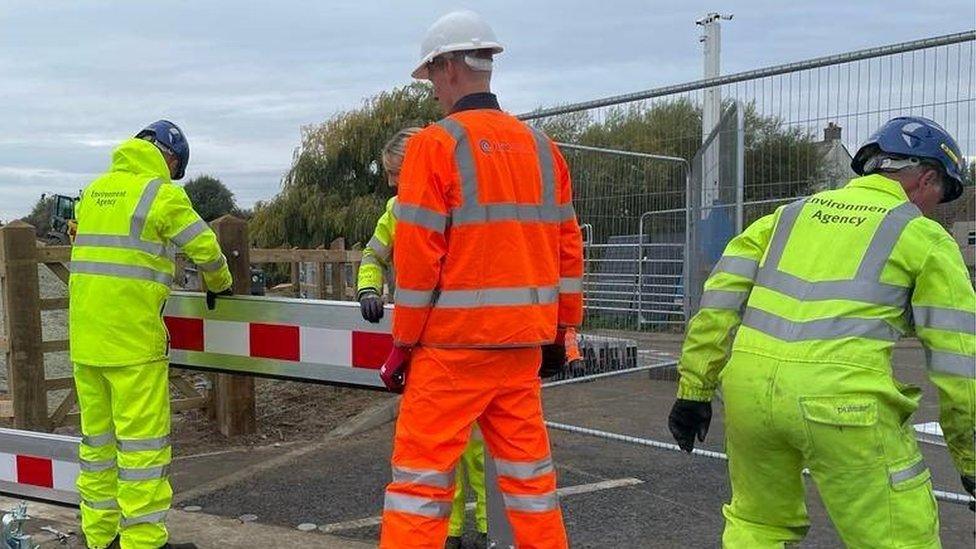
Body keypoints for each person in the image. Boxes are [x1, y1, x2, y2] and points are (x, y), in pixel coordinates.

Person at [668, 116, 975, 548]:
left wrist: (694, 390)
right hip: (843, 407)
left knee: (758, 527)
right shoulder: (923, 236)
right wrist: (971, 457)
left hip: (751, 396)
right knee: (897, 538)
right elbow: (959, 361)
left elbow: (718, 301)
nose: (934, 209)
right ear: (926, 178)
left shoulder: (786, 217)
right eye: (940, 197)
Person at [378, 10, 583, 549]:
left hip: (451, 350)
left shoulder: (433, 145)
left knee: (419, 487)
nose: (433, 93)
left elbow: (420, 261)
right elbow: (567, 249)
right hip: (521, 347)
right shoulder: (544, 149)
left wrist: (404, 342)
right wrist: (564, 332)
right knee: (531, 483)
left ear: (447, 68)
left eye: (431, 80)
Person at [70, 120, 233, 549]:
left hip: (86, 344)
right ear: (171, 158)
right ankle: (143, 543)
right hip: (134, 346)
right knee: (142, 451)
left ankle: (99, 538)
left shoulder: (91, 193)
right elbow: (206, 247)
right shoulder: (161, 195)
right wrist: (219, 283)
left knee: (97, 448)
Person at [356, 127, 489, 547]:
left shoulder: (461, 204)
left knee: (478, 452)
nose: (391, 182)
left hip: (464, 341)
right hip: (430, 346)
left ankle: (488, 531)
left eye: (395, 171)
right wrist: (368, 288)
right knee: (439, 453)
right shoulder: (395, 210)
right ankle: (450, 533)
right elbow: (373, 255)